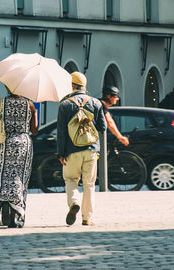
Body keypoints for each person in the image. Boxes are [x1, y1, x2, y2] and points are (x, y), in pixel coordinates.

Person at [0, 86, 38, 228]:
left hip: (1, 144)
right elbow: (35, 130)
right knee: (18, 179)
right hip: (22, 147)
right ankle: (14, 216)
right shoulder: (29, 105)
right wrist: (34, 113)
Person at [57, 71, 107, 226]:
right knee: (89, 184)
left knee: (71, 179)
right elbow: (103, 127)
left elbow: (61, 132)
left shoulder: (65, 104)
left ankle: (74, 202)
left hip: (72, 150)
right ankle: (87, 218)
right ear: (84, 86)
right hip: (91, 150)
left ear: (72, 85)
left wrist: (61, 153)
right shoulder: (96, 103)